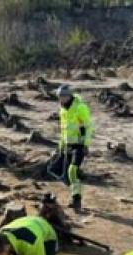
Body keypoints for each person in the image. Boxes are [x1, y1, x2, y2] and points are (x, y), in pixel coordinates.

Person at [56, 84, 93, 213]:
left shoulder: (80, 107)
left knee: (72, 171)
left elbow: (88, 126)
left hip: (79, 144)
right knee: (67, 174)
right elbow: (63, 128)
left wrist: (86, 144)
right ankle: (74, 197)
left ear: (69, 95)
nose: (61, 99)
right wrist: (61, 145)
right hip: (68, 145)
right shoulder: (62, 109)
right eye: (59, 97)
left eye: (63, 96)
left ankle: (77, 200)